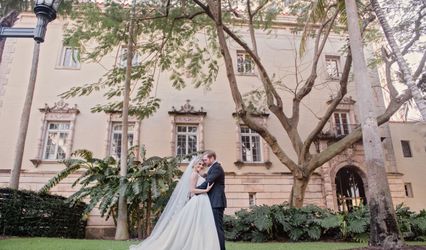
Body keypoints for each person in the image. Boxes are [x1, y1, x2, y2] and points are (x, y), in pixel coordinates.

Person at [129, 157, 220, 250]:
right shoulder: (194, 174)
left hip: (202, 201)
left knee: (198, 225)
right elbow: (192, 190)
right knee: (193, 224)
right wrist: (206, 190)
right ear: (194, 164)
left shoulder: (198, 174)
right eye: (199, 164)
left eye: (202, 165)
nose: (201, 166)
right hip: (197, 201)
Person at [197, 150, 227, 250]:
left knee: (218, 228)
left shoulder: (217, 168)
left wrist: (194, 191)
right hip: (213, 201)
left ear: (212, 158)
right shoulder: (213, 168)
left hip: (216, 202)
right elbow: (207, 177)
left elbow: (208, 182)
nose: (204, 162)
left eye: (205, 160)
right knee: (214, 228)